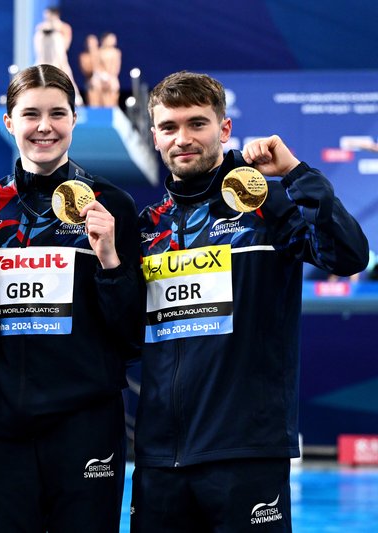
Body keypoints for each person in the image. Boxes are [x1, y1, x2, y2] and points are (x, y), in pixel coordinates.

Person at [133, 71, 370, 532]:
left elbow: (347, 256)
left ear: (223, 130)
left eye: (197, 124)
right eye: (169, 127)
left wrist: (297, 175)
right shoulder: (147, 228)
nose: (183, 138)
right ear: (155, 137)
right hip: (160, 457)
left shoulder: (268, 207)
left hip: (246, 452)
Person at [0, 64, 142, 532]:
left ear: (74, 119)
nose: (44, 126)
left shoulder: (112, 204)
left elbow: (132, 335)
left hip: (85, 420)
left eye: (57, 113)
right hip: (3, 423)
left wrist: (108, 258)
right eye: (30, 114)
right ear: (9, 123)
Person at [33, 6, 84, 106]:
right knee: (36, 76)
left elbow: (66, 45)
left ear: (55, 15)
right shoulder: (41, 27)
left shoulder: (64, 27)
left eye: (48, 14)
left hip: (59, 58)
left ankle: (76, 98)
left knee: (66, 74)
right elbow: (37, 45)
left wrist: (55, 32)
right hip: (44, 58)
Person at [79, 32, 122, 108]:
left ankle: (111, 109)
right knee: (95, 86)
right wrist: (102, 76)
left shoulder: (116, 52)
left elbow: (116, 67)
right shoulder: (99, 52)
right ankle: (95, 110)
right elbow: (97, 66)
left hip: (111, 77)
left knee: (113, 87)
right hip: (100, 76)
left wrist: (110, 77)